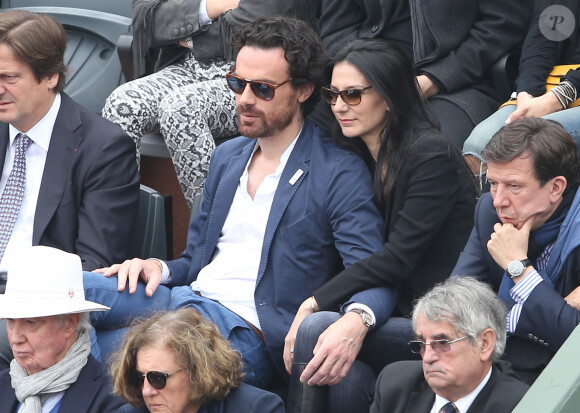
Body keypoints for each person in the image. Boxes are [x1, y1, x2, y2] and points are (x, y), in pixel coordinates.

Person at [84, 17, 394, 390]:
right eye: (237, 83)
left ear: (304, 89)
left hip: (245, 333)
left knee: (95, 351)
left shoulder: (337, 171)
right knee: (61, 293)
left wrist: (357, 319)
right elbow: (193, 261)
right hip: (181, 300)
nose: (244, 99)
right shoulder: (228, 157)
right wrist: (156, 267)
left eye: (262, 88)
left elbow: (373, 272)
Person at [285, 39, 476, 413]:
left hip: (448, 325)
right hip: (398, 312)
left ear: (389, 96)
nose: (339, 106)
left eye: (353, 94)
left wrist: (314, 301)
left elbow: (398, 258)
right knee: (347, 375)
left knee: (314, 328)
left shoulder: (430, 155)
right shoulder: (362, 156)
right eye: (333, 94)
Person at [0, 9, 140, 371]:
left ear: (50, 76)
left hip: (38, 303)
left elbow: (94, 266)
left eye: (9, 77)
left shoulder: (104, 147)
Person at [103, 0, 311, 206]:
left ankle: (213, 225)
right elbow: (147, 16)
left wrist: (189, 36)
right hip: (186, 67)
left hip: (250, 78)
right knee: (121, 105)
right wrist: (209, 7)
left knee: (180, 109)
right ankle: (114, 228)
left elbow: (267, 18)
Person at [453, 117, 580, 383]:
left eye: (514, 186)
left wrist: (518, 267)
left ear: (556, 188)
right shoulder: (489, 210)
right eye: (493, 183)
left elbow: (572, 338)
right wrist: (552, 309)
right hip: (491, 354)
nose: (499, 201)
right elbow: (457, 301)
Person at [315, 0, 531, 148]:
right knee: (309, 133)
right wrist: (365, 72)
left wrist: (435, 79)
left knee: (434, 148)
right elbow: (336, 31)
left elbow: (503, 23)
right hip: (363, 73)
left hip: (455, 82)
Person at [370, 277, 530, 413]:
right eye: (422, 344)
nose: (427, 357)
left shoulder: (521, 406)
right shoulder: (394, 384)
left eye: (442, 343)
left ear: (484, 344)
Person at [463, 0, 580, 177]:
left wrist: (558, 97)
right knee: (480, 144)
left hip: (566, 92)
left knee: (529, 143)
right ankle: (498, 203)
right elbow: (542, 40)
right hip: (554, 87)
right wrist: (527, 94)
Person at [0, 246, 124, 412]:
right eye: (11, 320)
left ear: (69, 323)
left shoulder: (113, 396)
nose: (15, 338)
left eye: (30, 322)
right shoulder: (2, 387)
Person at [110, 307, 284, 413]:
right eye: (139, 378)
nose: (146, 391)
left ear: (197, 372)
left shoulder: (257, 409)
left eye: (157, 378)